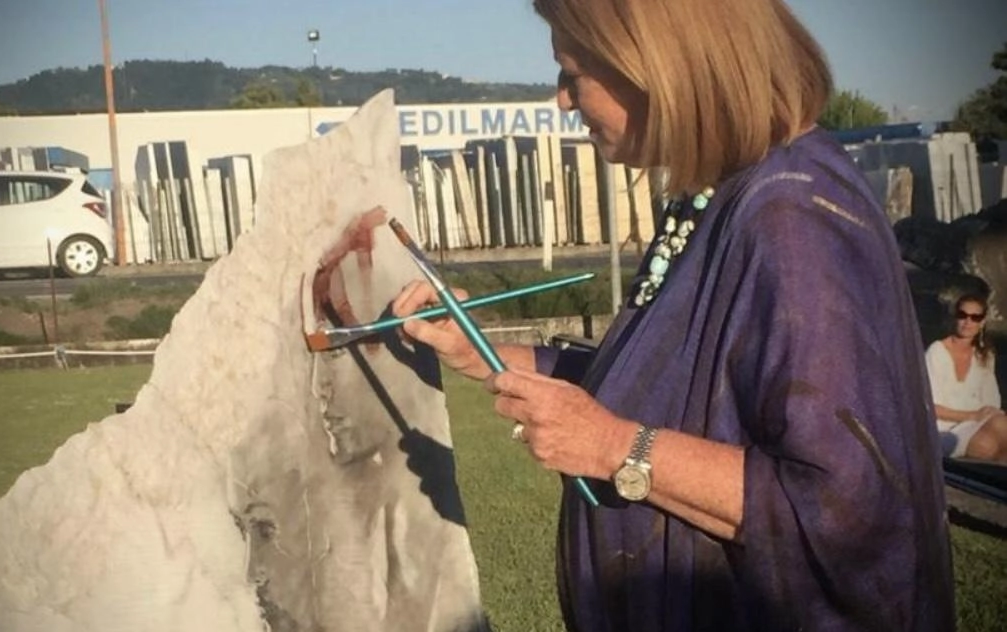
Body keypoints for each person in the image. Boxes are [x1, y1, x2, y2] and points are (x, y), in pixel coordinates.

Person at [391, 0, 954, 630]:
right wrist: (480, 352)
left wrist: (613, 447)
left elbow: (848, 510)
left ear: (655, 65)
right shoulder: (722, 193)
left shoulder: (791, 220)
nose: (562, 102)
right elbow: (662, 381)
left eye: (573, 74)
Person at [926, 294, 1007, 462]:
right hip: (944, 430)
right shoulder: (937, 352)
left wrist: (981, 416)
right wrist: (971, 415)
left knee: (1000, 428)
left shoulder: (984, 355)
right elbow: (928, 407)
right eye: (962, 315)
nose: (968, 322)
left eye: (975, 317)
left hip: (980, 424)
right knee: (987, 444)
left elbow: (991, 402)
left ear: (982, 322)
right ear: (955, 317)